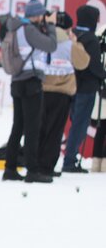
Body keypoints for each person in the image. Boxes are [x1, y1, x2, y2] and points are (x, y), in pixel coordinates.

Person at [2, 0, 57, 183]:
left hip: (17, 81)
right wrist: (51, 26)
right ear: (36, 15)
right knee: (32, 128)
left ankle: (9, 168)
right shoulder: (29, 30)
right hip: (31, 81)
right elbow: (51, 45)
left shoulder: (16, 28)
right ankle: (32, 170)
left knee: (17, 126)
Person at [39, 12, 89, 176]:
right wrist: (76, 43)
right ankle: (47, 166)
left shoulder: (42, 39)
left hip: (42, 90)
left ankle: (35, 163)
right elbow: (83, 63)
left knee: (41, 128)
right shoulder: (69, 44)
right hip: (61, 92)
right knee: (55, 131)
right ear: (68, 28)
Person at [64, 5, 106, 173]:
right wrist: (103, 76)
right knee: (80, 125)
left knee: (75, 122)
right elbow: (94, 65)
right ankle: (70, 160)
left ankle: (70, 158)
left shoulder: (73, 35)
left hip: (70, 85)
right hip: (87, 88)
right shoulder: (91, 39)